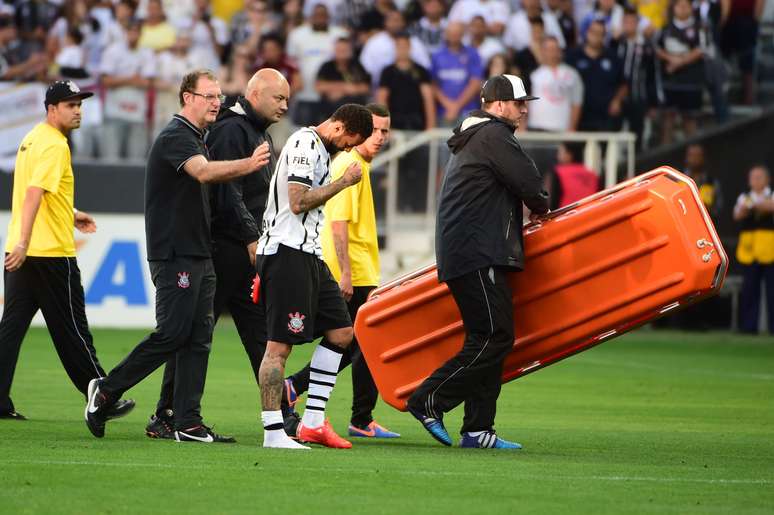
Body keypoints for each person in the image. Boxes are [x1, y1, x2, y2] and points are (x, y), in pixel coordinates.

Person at [83, 69, 271, 442]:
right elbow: (202, 174)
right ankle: (106, 389)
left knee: (199, 337)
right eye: (209, 96)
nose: (217, 102)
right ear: (188, 98)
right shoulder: (176, 136)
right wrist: (247, 165)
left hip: (201, 252)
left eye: (219, 96)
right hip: (175, 253)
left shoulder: (198, 138)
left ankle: (187, 422)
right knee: (173, 333)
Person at [144, 68, 290, 440]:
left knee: (259, 333)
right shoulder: (230, 129)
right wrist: (250, 236)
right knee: (192, 332)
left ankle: (283, 416)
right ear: (255, 94)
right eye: (279, 99)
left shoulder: (250, 131)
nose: (285, 107)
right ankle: (168, 414)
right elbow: (226, 191)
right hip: (226, 248)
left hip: (240, 247)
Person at [406, 74, 549, 449]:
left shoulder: (477, 137)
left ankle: (478, 430)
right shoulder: (494, 136)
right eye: (519, 102)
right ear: (499, 105)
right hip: (477, 251)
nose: (524, 109)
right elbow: (530, 182)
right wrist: (541, 205)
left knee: (488, 338)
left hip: (470, 250)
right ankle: (428, 401)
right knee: (496, 336)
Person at [0, 81, 135, 421]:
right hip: (48, 253)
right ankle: (102, 395)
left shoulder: (32, 139)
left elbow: (42, 192)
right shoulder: (56, 145)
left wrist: (71, 214)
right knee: (73, 330)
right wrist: (24, 242)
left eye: (79, 104)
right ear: (52, 108)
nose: (78, 110)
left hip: (25, 253)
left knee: (11, 329)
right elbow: (33, 195)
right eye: (70, 104)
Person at [255, 103, 373, 450]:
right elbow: (298, 201)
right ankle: (273, 432)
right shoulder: (305, 144)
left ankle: (313, 423)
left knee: (341, 332)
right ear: (339, 128)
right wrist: (342, 183)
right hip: (286, 253)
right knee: (279, 347)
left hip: (308, 254)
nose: (349, 149)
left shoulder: (322, 150)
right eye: (350, 141)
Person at [282, 104, 400, 439]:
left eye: (385, 131)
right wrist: (346, 273)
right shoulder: (349, 164)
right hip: (352, 270)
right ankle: (348, 414)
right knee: (354, 341)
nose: (379, 138)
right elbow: (337, 222)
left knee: (353, 342)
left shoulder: (356, 163)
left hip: (361, 268)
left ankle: (346, 412)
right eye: (374, 130)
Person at [732, 165, 774, 334]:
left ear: (767, 180)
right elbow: (738, 213)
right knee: (749, 290)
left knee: (772, 290)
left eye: (759, 177)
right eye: (753, 178)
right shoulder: (744, 196)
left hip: (770, 249)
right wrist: (754, 206)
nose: (755, 181)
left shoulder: (771, 195)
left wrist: (755, 205)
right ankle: (748, 327)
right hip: (749, 250)